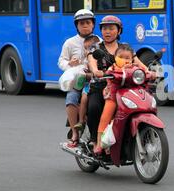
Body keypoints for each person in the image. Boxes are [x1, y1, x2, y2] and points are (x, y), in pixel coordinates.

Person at [86, 15, 150, 150]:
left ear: (119, 31)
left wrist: (149, 72)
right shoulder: (95, 47)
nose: (107, 32)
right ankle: (95, 140)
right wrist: (96, 71)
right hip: (102, 85)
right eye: (104, 29)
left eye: (111, 28)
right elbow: (92, 61)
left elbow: (138, 63)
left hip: (125, 86)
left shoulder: (124, 48)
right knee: (94, 108)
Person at [58, 9, 96, 148]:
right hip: (78, 81)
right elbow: (61, 61)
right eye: (81, 23)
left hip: (96, 80)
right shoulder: (70, 43)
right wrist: (69, 64)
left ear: (93, 25)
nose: (85, 25)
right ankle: (74, 132)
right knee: (71, 99)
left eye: (88, 22)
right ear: (76, 26)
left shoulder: (99, 42)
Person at [93, 44, 136, 156]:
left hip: (130, 97)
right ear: (116, 57)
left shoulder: (134, 68)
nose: (125, 60)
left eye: (127, 58)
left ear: (132, 59)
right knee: (105, 117)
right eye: (121, 57)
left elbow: (144, 72)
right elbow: (107, 73)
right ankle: (99, 143)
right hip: (113, 96)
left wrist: (150, 73)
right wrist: (106, 73)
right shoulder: (113, 68)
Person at [75, 34, 101, 134]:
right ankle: (81, 121)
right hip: (90, 84)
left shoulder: (101, 59)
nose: (87, 51)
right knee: (84, 98)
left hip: (103, 83)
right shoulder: (86, 61)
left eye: (90, 48)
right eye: (85, 49)